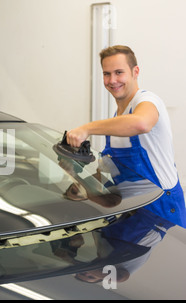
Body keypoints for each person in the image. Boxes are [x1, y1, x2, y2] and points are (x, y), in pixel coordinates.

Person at [66, 45, 186, 227]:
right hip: (130, 210)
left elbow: (141, 123)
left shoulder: (147, 101)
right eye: (107, 74)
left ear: (135, 72)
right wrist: (75, 179)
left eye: (119, 72)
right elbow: (109, 194)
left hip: (160, 207)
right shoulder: (118, 120)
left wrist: (87, 129)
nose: (112, 80)